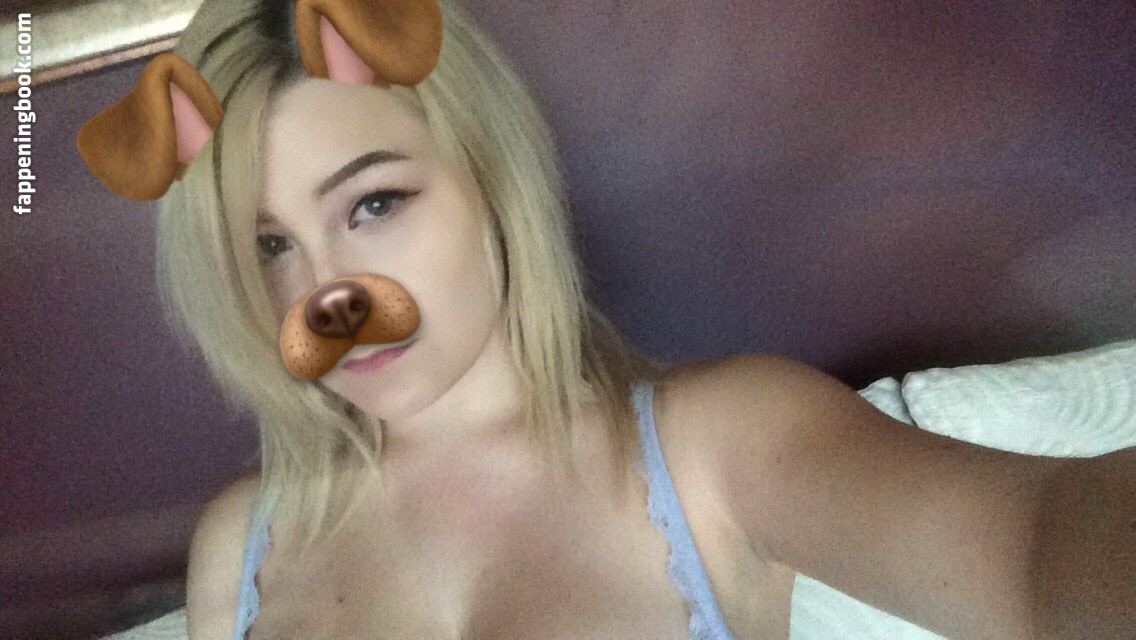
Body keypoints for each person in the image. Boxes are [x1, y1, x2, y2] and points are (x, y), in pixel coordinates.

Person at [112, 1, 1133, 638]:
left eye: (373, 203)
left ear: (489, 181)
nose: (324, 294)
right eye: (268, 245)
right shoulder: (237, 548)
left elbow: (1032, 549)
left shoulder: (721, 446)